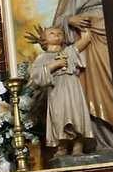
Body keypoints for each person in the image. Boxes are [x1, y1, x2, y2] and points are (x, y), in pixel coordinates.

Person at [50, 0, 113, 151]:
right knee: (88, 92)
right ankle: (102, 143)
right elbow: (57, 23)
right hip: (83, 41)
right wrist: (71, 19)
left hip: (112, 35)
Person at [28, 25, 93, 157]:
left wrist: (82, 23)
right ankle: (62, 146)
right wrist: (55, 64)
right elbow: (36, 75)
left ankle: (78, 146)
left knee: (77, 114)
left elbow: (86, 39)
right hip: (56, 89)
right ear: (44, 40)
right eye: (52, 33)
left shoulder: (69, 51)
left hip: (73, 86)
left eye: (59, 33)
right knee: (59, 116)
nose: (57, 35)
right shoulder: (43, 57)